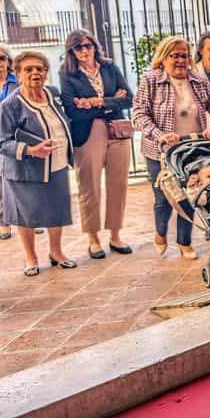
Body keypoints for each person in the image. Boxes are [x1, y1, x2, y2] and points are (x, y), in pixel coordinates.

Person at [132, 35, 210, 259]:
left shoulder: (198, 80)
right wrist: (160, 135)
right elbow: (138, 114)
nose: (180, 61)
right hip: (160, 151)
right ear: (163, 59)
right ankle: (160, 233)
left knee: (190, 193)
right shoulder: (151, 80)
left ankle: (184, 242)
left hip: (192, 148)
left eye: (184, 56)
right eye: (175, 56)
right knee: (163, 198)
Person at [0, 50, 76, 275]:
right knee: (26, 215)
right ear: (18, 74)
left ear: (46, 73)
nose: (35, 73)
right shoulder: (11, 104)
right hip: (24, 170)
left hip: (56, 164)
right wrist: (30, 150)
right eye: (28, 69)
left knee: (56, 211)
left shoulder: (53, 94)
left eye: (40, 69)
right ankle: (31, 258)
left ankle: (56, 253)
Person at [60, 29, 134, 259]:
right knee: (89, 185)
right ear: (71, 51)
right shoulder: (67, 74)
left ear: (95, 46)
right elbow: (72, 109)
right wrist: (112, 100)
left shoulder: (110, 67)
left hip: (117, 130)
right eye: (78, 47)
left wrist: (96, 101)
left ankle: (115, 235)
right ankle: (93, 238)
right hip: (88, 131)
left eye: (88, 45)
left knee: (118, 184)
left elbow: (129, 98)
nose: (84, 51)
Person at [0, 42, 19, 240]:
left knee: (23, 181)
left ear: (8, 61)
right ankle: (4, 223)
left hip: (17, 139)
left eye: (2, 58)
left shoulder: (18, 81)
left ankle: (29, 219)